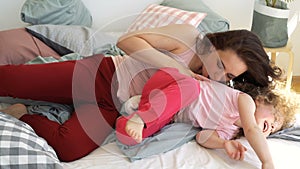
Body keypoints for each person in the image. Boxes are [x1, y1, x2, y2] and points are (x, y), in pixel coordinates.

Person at [0, 24, 282, 162]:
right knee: (9, 81)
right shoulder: (186, 38)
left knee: (68, 149)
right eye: (219, 64)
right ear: (214, 44)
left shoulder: (219, 88)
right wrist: (177, 68)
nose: (218, 75)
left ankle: (22, 114)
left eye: (229, 76)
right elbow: (127, 41)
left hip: (114, 107)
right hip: (100, 75)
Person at [115, 67, 298, 169]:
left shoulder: (230, 131)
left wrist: (222, 143)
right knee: (191, 88)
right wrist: (267, 162)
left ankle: (133, 117)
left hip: (168, 110)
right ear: (261, 100)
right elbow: (252, 130)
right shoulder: (245, 101)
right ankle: (144, 116)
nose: (271, 126)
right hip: (173, 84)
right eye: (274, 117)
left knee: (130, 138)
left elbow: (201, 137)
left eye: (274, 128)